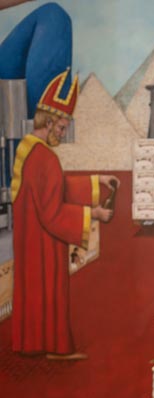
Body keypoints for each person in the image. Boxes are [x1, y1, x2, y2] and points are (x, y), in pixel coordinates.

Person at [10, 69, 120, 360]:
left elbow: (54, 189)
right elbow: (51, 210)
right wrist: (92, 212)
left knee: (33, 291)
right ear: (48, 120)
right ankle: (54, 348)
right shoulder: (44, 157)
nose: (62, 132)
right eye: (60, 127)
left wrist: (97, 182)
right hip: (44, 242)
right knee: (48, 290)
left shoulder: (28, 149)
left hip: (31, 240)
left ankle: (31, 342)